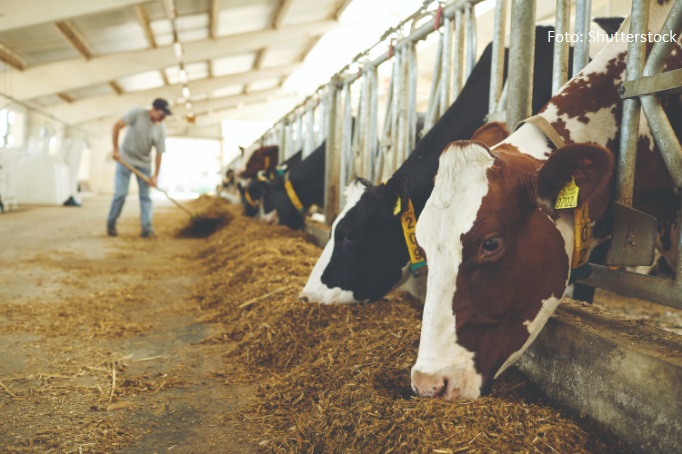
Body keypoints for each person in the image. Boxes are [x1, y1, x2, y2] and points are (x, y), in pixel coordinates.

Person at [106, 98, 171, 237]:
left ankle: (147, 229)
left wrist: (155, 176)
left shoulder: (161, 129)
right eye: (161, 114)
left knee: (145, 197)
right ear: (153, 110)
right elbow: (117, 126)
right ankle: (111, 224)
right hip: (125, 160)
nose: (163, 118)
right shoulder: (137, 114)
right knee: (121, 195)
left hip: (144, 165)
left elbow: (159, 154)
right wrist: (116, 150)